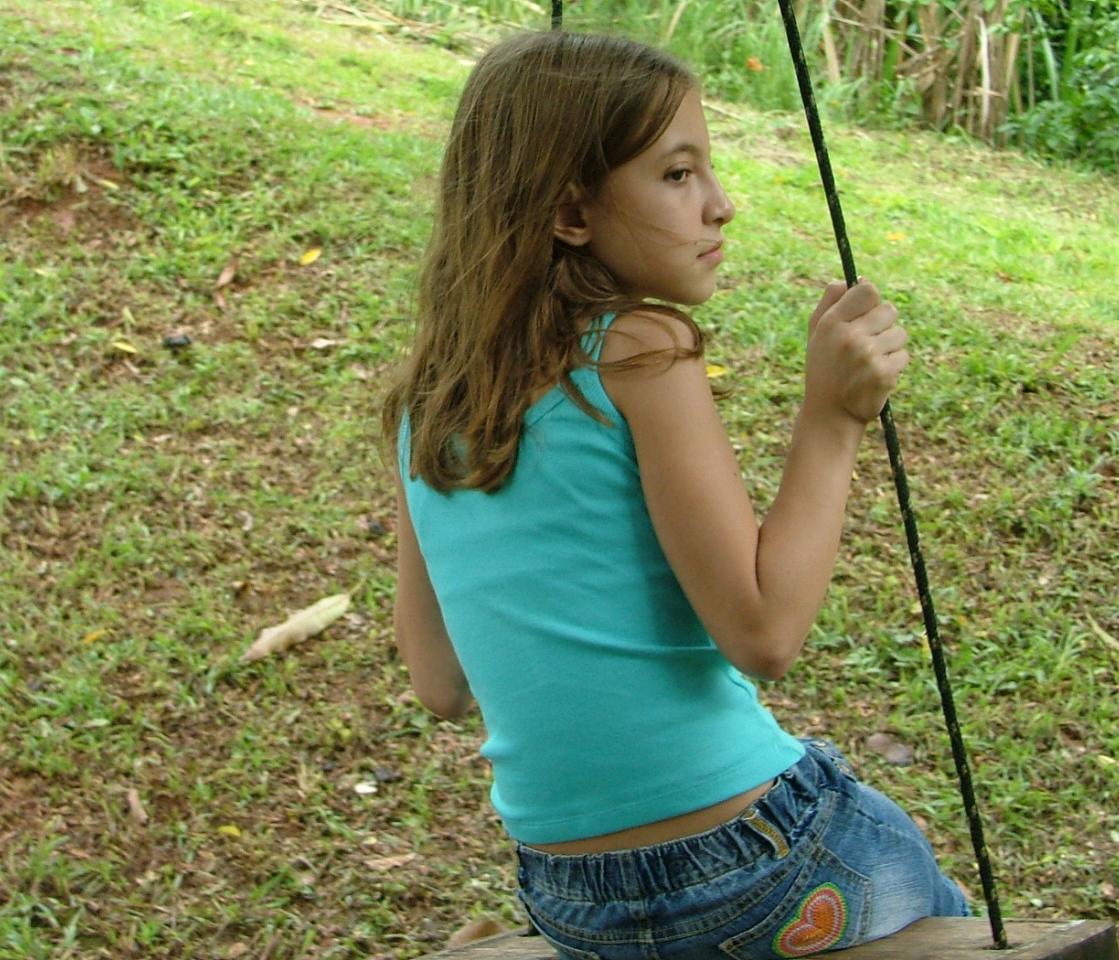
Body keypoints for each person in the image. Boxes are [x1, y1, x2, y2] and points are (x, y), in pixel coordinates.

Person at [382, 30, 969, 960]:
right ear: (571, 211)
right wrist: (833, 417)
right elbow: (765, 634)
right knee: (950, 916)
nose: (720, 204)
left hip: (573, 901)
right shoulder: (643, 346)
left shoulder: (429, 400)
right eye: (678, 174)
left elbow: (439, 682)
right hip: (757, 872)